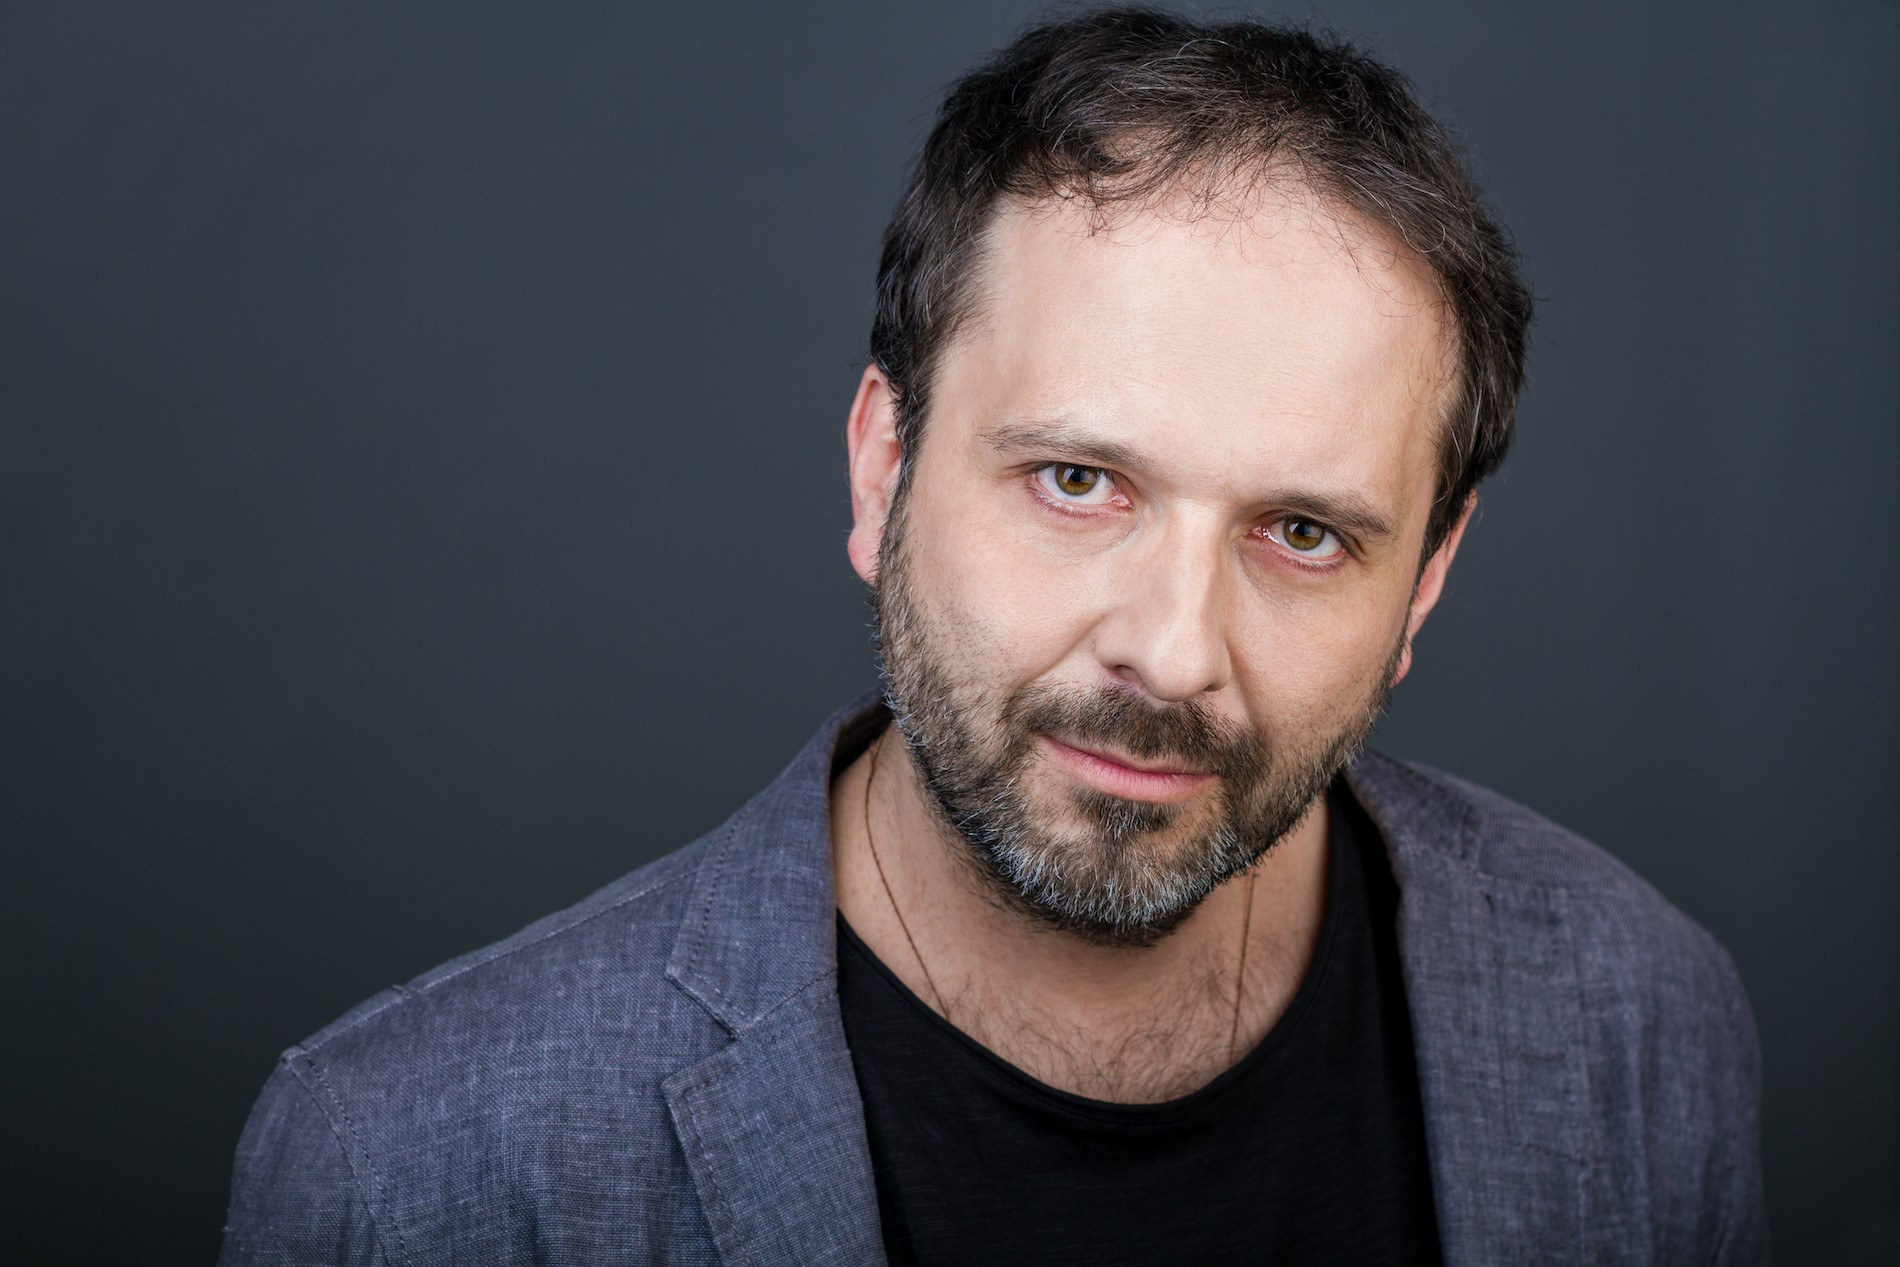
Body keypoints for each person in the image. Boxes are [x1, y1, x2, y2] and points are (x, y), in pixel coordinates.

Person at [220, 9, 1768, 1264]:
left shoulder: (1642, 1022)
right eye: (1078, 482)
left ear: (1424, 582)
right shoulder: (412, 1170)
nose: (1173, 653)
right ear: (880, 468)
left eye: (1304, 533)